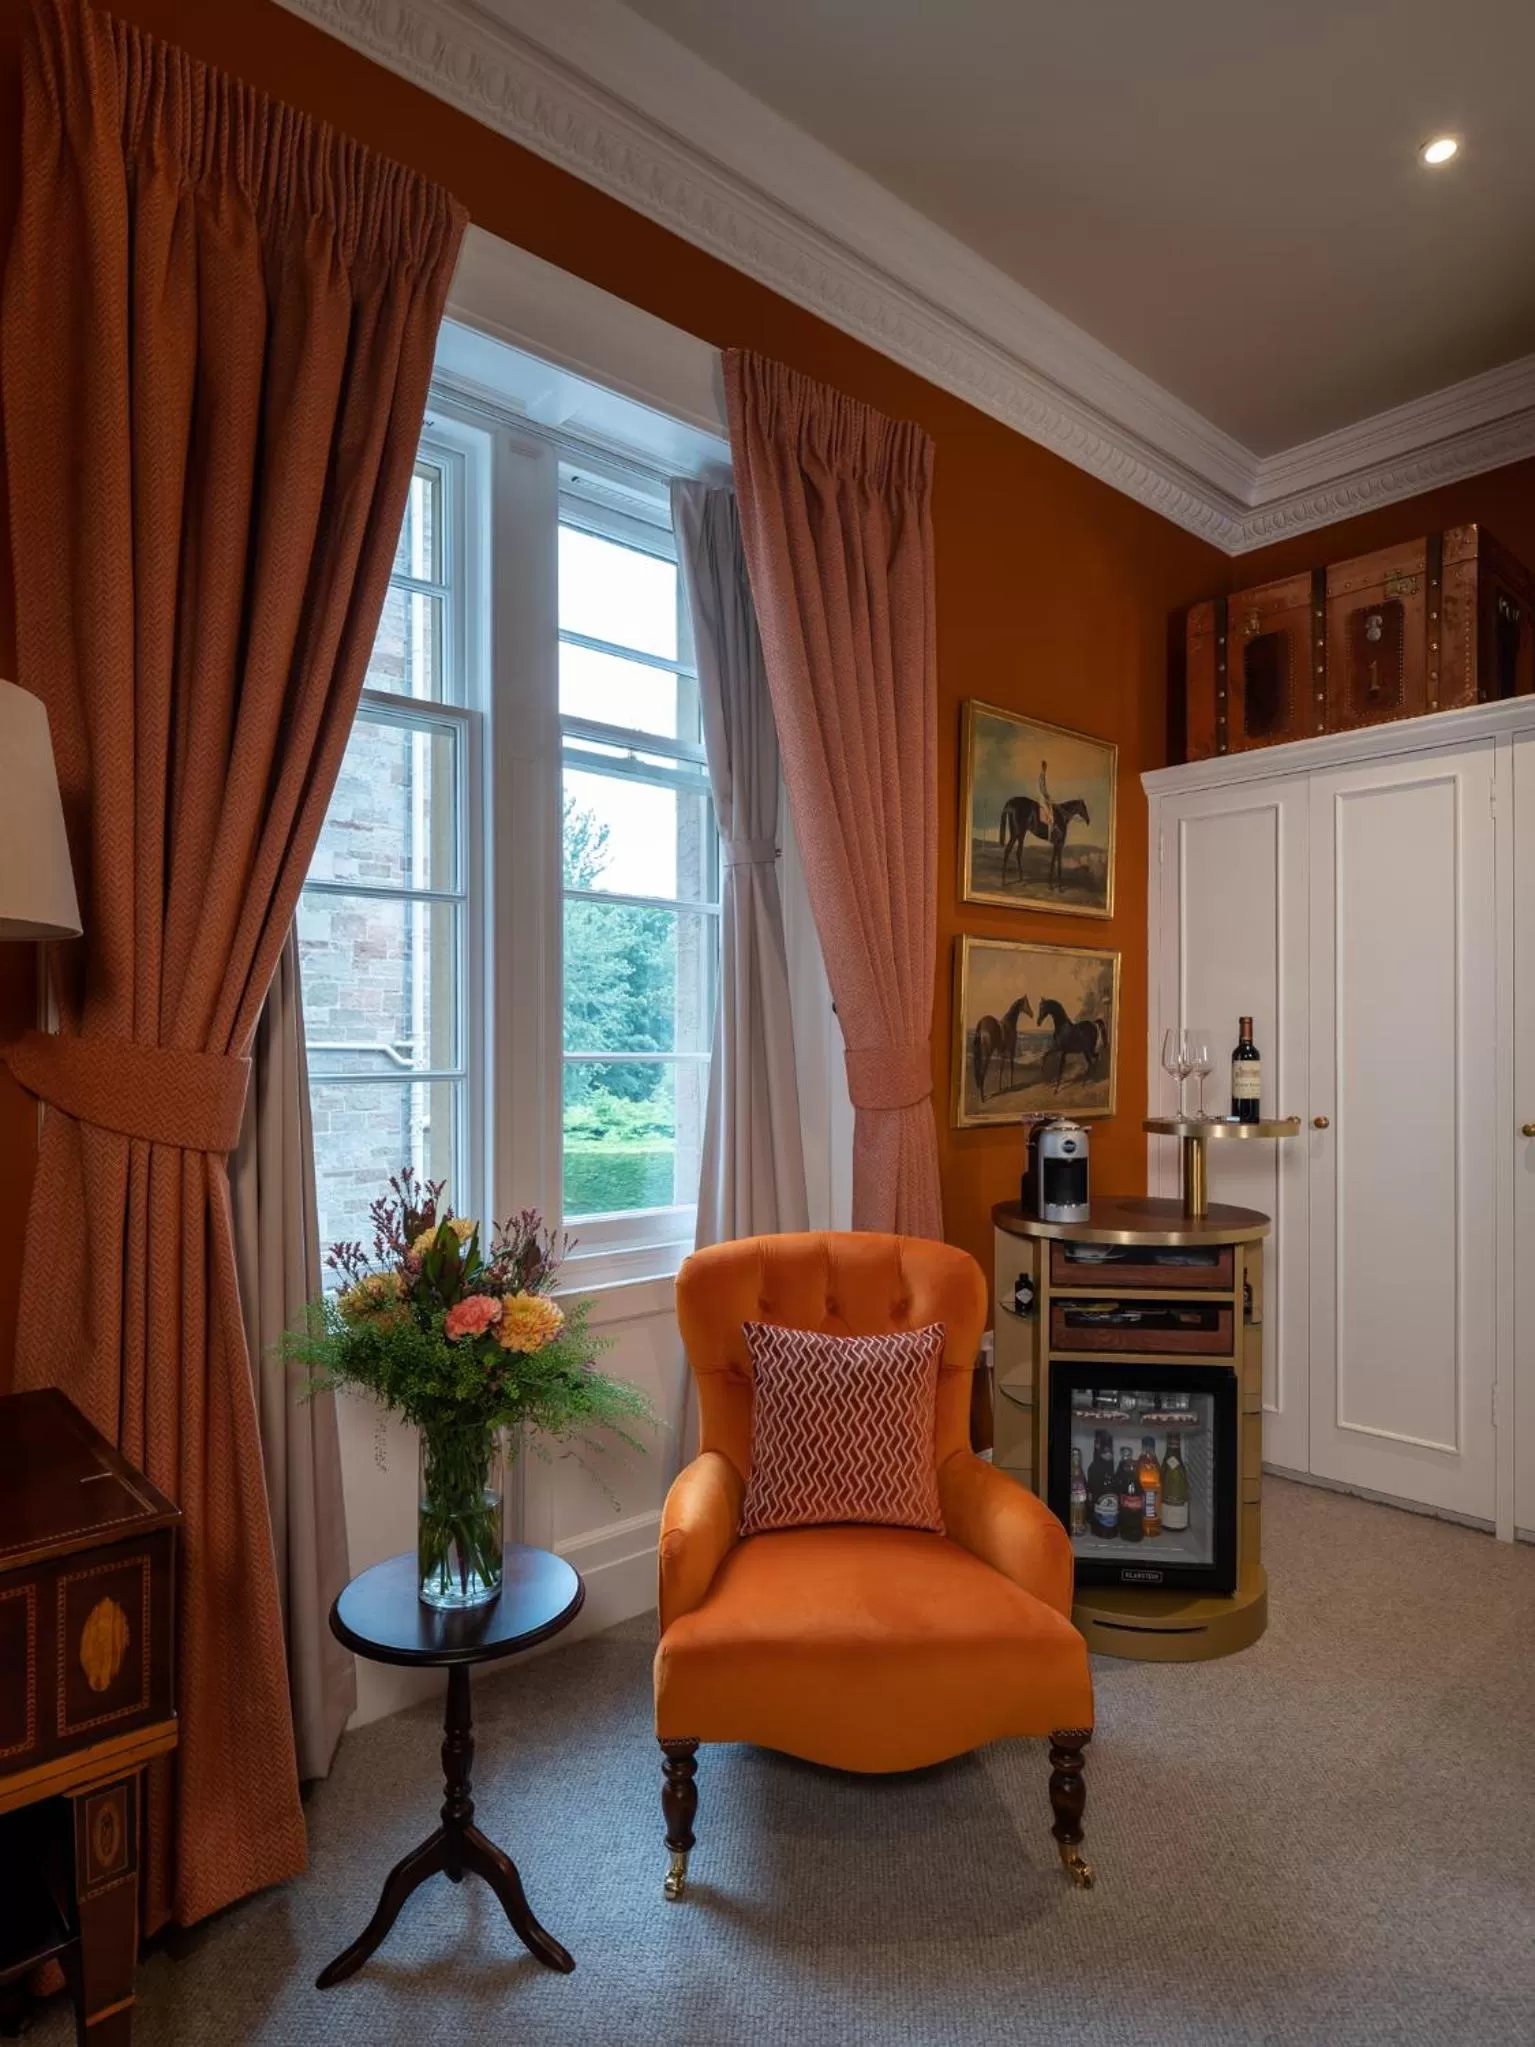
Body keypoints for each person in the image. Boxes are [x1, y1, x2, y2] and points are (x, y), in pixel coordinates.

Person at [1037, 759, 1054, 834]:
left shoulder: (1043, 775)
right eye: (1045, 766)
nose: (1046, 768)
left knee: (1051, 808)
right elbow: (1041, 787)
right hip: (1042, 797)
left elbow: (1044, 788)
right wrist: (1045, 795)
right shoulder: (1041, 775)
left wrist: (1048, 795)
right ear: (1043, 766)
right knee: (1050, 815)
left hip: (1044, 796)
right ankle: (1050, 832)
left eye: (1046, 767)